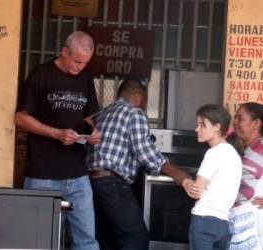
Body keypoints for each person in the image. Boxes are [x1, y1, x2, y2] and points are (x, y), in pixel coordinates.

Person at [15, 31, 101, 250]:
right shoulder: (40, 75)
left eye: (85, 63)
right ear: (65, 51)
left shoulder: (85, 79)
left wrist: (94, 133)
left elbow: (88, 116)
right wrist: (57, 134)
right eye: (76, 61)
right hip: (43, 173)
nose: (80, 67)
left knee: (87, 240)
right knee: (39, 239)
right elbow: (20, 118)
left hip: (78, 174)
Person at [87, 78, 191, 250]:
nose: (143, 105)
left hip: (91, 183)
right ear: (136, 96)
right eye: (144, 100)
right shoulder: (134, 113)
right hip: (111, 183)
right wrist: (177, 173)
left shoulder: (103, 113)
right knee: (136, 239)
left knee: (106, 240)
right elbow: (144, 150)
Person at [184, 104, 242, 250]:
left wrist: (188, 183)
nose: (197, 129)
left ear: (217, 126)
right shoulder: (233, 154)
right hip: (223, 225)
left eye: (202, 125)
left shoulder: (213, 153)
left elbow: (196, 192)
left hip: (204, 221)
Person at [228, 102, 263, 249]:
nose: (235, 122)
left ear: (256, 123)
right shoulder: (248, 149)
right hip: (244, 225)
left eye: (240, 119)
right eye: (235, 118)